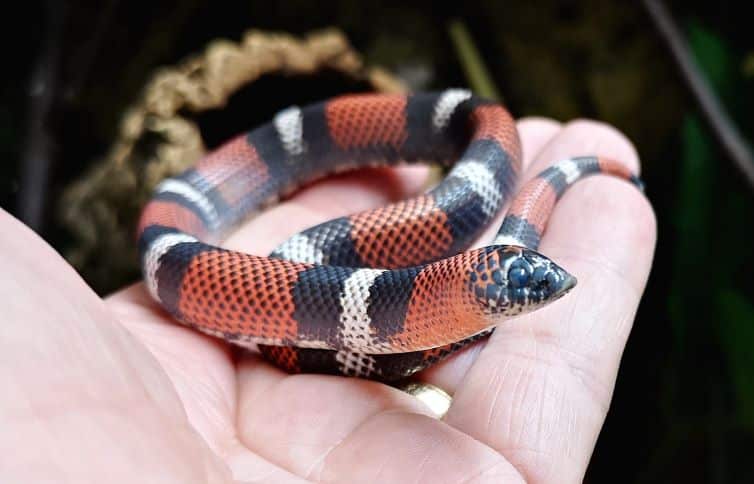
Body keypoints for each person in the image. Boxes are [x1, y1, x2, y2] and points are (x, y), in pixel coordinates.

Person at [0, 118, 655, 483]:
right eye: (528, 284)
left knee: (478, 130)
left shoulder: (426, 293)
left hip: (379, 295)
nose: (554, 290)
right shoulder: (424, 298)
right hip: (238, 279)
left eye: (531, 286)